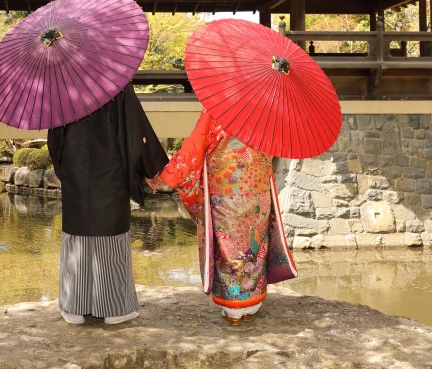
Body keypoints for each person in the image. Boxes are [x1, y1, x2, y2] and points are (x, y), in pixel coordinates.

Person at [151, 109, 297, 325]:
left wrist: (166, 176)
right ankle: (250, 305)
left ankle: (233, 308)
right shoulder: (269, 110)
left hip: (226, 190)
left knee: (229, 248)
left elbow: (195, 145)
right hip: (258, 191)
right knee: (254, 248)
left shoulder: (219, 107)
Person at [47, 82, 168, 325]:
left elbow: (55, 138)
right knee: (110, 234)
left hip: (75, 168)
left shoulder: (63, 82)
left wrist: (65, 170)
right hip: (111, 169)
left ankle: (74, 307)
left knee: (77, 232)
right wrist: (147, 168)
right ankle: (114, 309)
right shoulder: (116, 81)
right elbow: (134, 130)